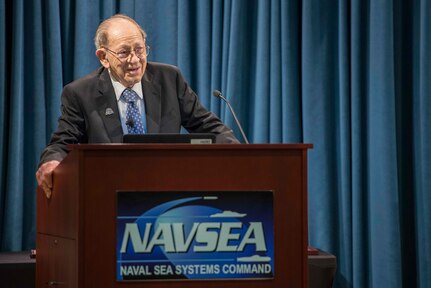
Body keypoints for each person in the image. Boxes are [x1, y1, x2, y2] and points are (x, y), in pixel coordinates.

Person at [35, 14, 239, 198]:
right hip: (108, 194)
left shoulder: (169, 79)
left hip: (167, 190)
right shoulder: (80, 93)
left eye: (140, 49)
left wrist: (242, 158)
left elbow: (209, 128)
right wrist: (52, 162)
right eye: (124, 53)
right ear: (103, 57)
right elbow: (62, 142)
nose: (135, 60)